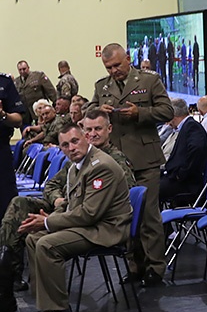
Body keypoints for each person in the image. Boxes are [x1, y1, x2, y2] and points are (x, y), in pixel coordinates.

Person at [0, 108, 134, 298]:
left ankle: (55, 307)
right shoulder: (76, 161)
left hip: (100, 225)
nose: (93, 134)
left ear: (109, 129)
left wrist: (52, 220)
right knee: (22, 212)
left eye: (98, 129)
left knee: (45, 242)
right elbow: (53, 185)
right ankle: (15, 280)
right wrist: (57, 203)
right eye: (89, 130)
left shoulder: (107, 162)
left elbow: (96, 209)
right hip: (73, 212)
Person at [87, 43, 173, 288]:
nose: (113, 71)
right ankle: (134, 267)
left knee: (148, 217)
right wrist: (97, 110)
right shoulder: (101, 86)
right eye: (108, 67)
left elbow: (167, 110)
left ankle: (155, 268)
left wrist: (140, 113)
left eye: (116, 65)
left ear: (127, 59)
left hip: (145, 158)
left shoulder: (149, 80)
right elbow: (87, 111)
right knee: (123, 216)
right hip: (116, 163)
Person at [159, 98, 207, 207]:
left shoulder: (192, 126)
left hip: (187, 184)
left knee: (151, 190)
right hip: (181, 180)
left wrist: (181, 174)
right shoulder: (186, 126)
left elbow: (197, 149)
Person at [0, 73, 25, 220]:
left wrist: (3, 115)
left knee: (5, 200)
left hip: (1, 150)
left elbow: (18, 120)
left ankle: (6, 240)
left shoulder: (4, 82)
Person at [14, 60, 57, 128]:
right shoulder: (16, 82)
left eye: (24, 69)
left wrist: (56, 104)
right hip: (26, 115)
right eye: (20, 70)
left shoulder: (38, 76)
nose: (22, 71)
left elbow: (51, 91)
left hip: (40, 113)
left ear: (28, 68)